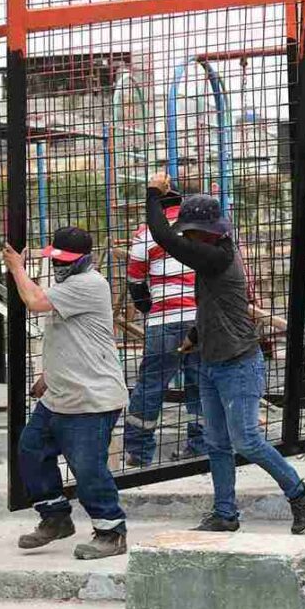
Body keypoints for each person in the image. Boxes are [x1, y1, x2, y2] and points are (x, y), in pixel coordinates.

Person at [145, 172, 305, 535]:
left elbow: (162, 237)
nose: (186, 237)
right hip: (211, 361)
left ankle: (299, 492)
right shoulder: (212, 255)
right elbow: (216, 306)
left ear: (206, 232)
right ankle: (225, 513)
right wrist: (195, 335)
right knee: (216, 443)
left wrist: (152, 194)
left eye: (190, 231)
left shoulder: (218, 257)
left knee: (247, 441)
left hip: (238, 363)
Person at [3, 227, 129, 560]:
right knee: (31, 449)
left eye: (66, 261)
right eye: (56, 260)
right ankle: (55, 516)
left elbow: (33, 301)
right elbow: (73, 338)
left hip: (91, 398)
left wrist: (16, 267)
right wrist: (48, 376)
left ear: (84, 260)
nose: (60, 267)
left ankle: (111, 531)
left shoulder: (88, 284)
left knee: (87, 467)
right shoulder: (69, 286)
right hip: (60, 394)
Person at [123, 188, 205, 466]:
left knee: (150, 385)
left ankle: (138, 452)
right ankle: (200, 444)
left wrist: (149, 308)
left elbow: (135, 281)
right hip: (200, 317)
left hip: (164, 321)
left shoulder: (145, 233)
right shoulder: (201, 229)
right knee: (201, 382)